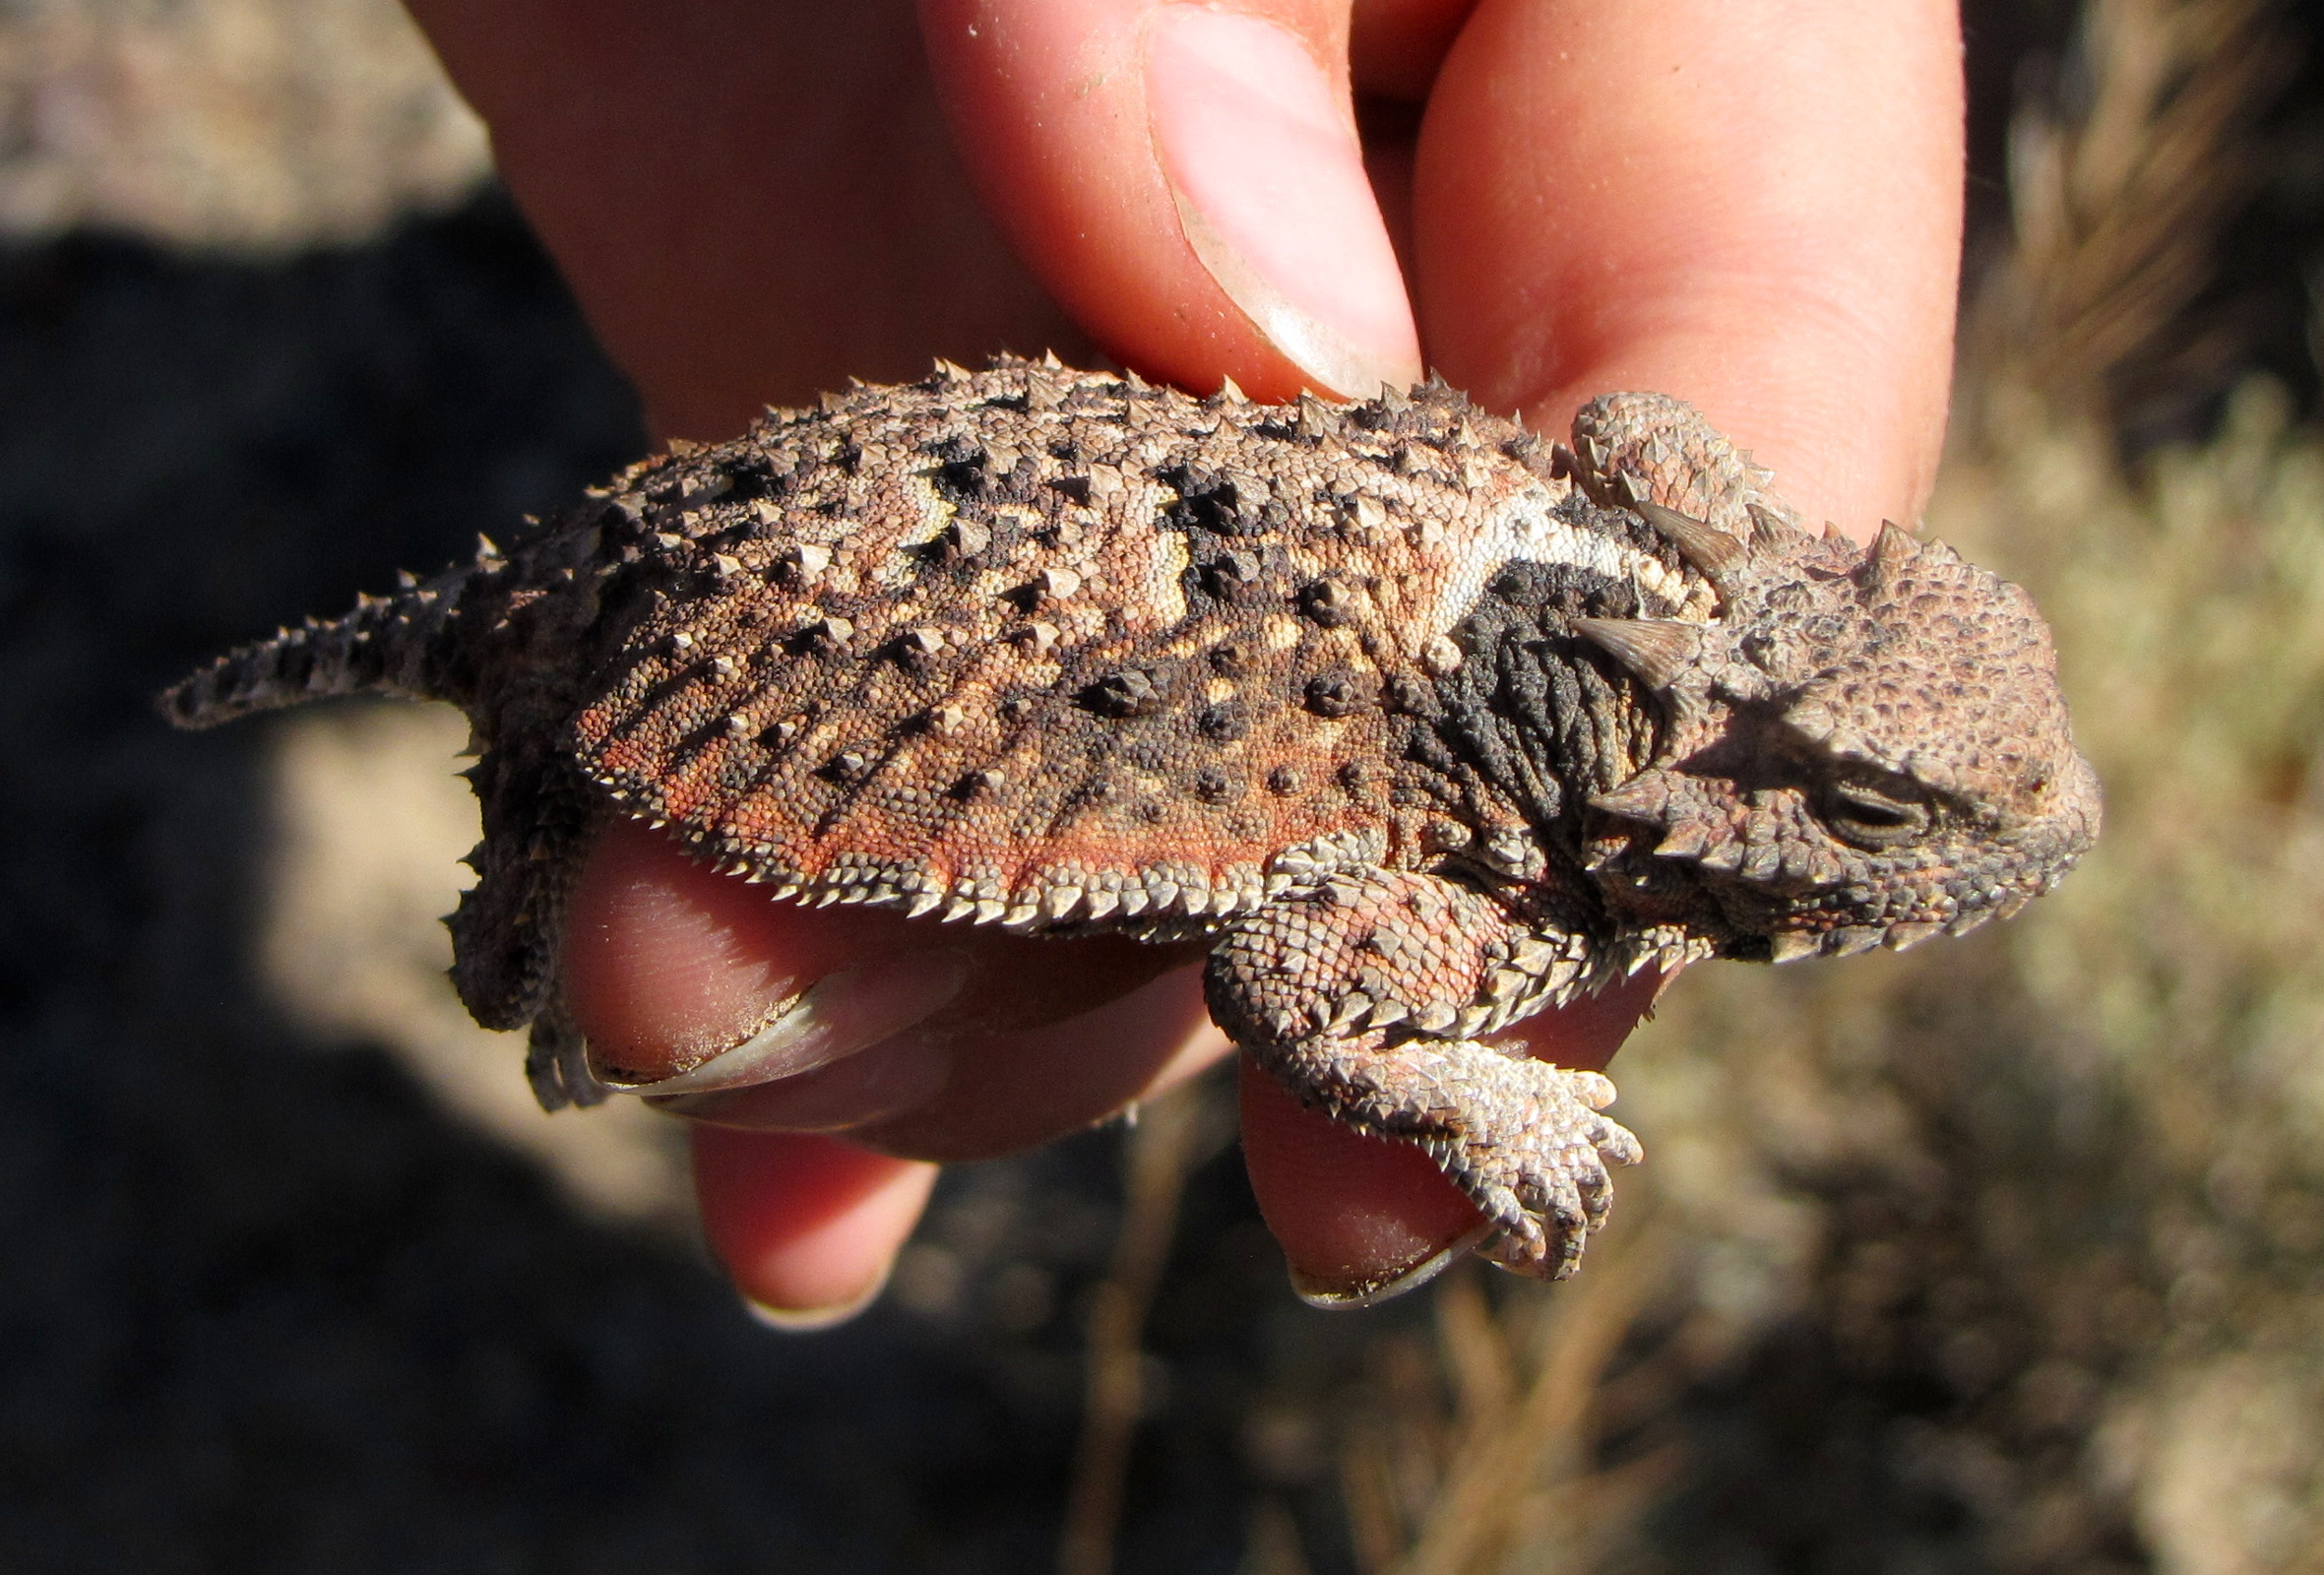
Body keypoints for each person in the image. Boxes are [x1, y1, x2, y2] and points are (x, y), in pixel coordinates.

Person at [403, 0, 1964, 1326]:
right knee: (553, 920)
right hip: (748, 608)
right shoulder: (1504, 887)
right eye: (1880, 813)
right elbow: (1291, 979)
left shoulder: (1580, 613)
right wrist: (1477, 1093)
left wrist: (1758, 563)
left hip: (926, 497)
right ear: (1733, 784)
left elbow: (1638, 428)